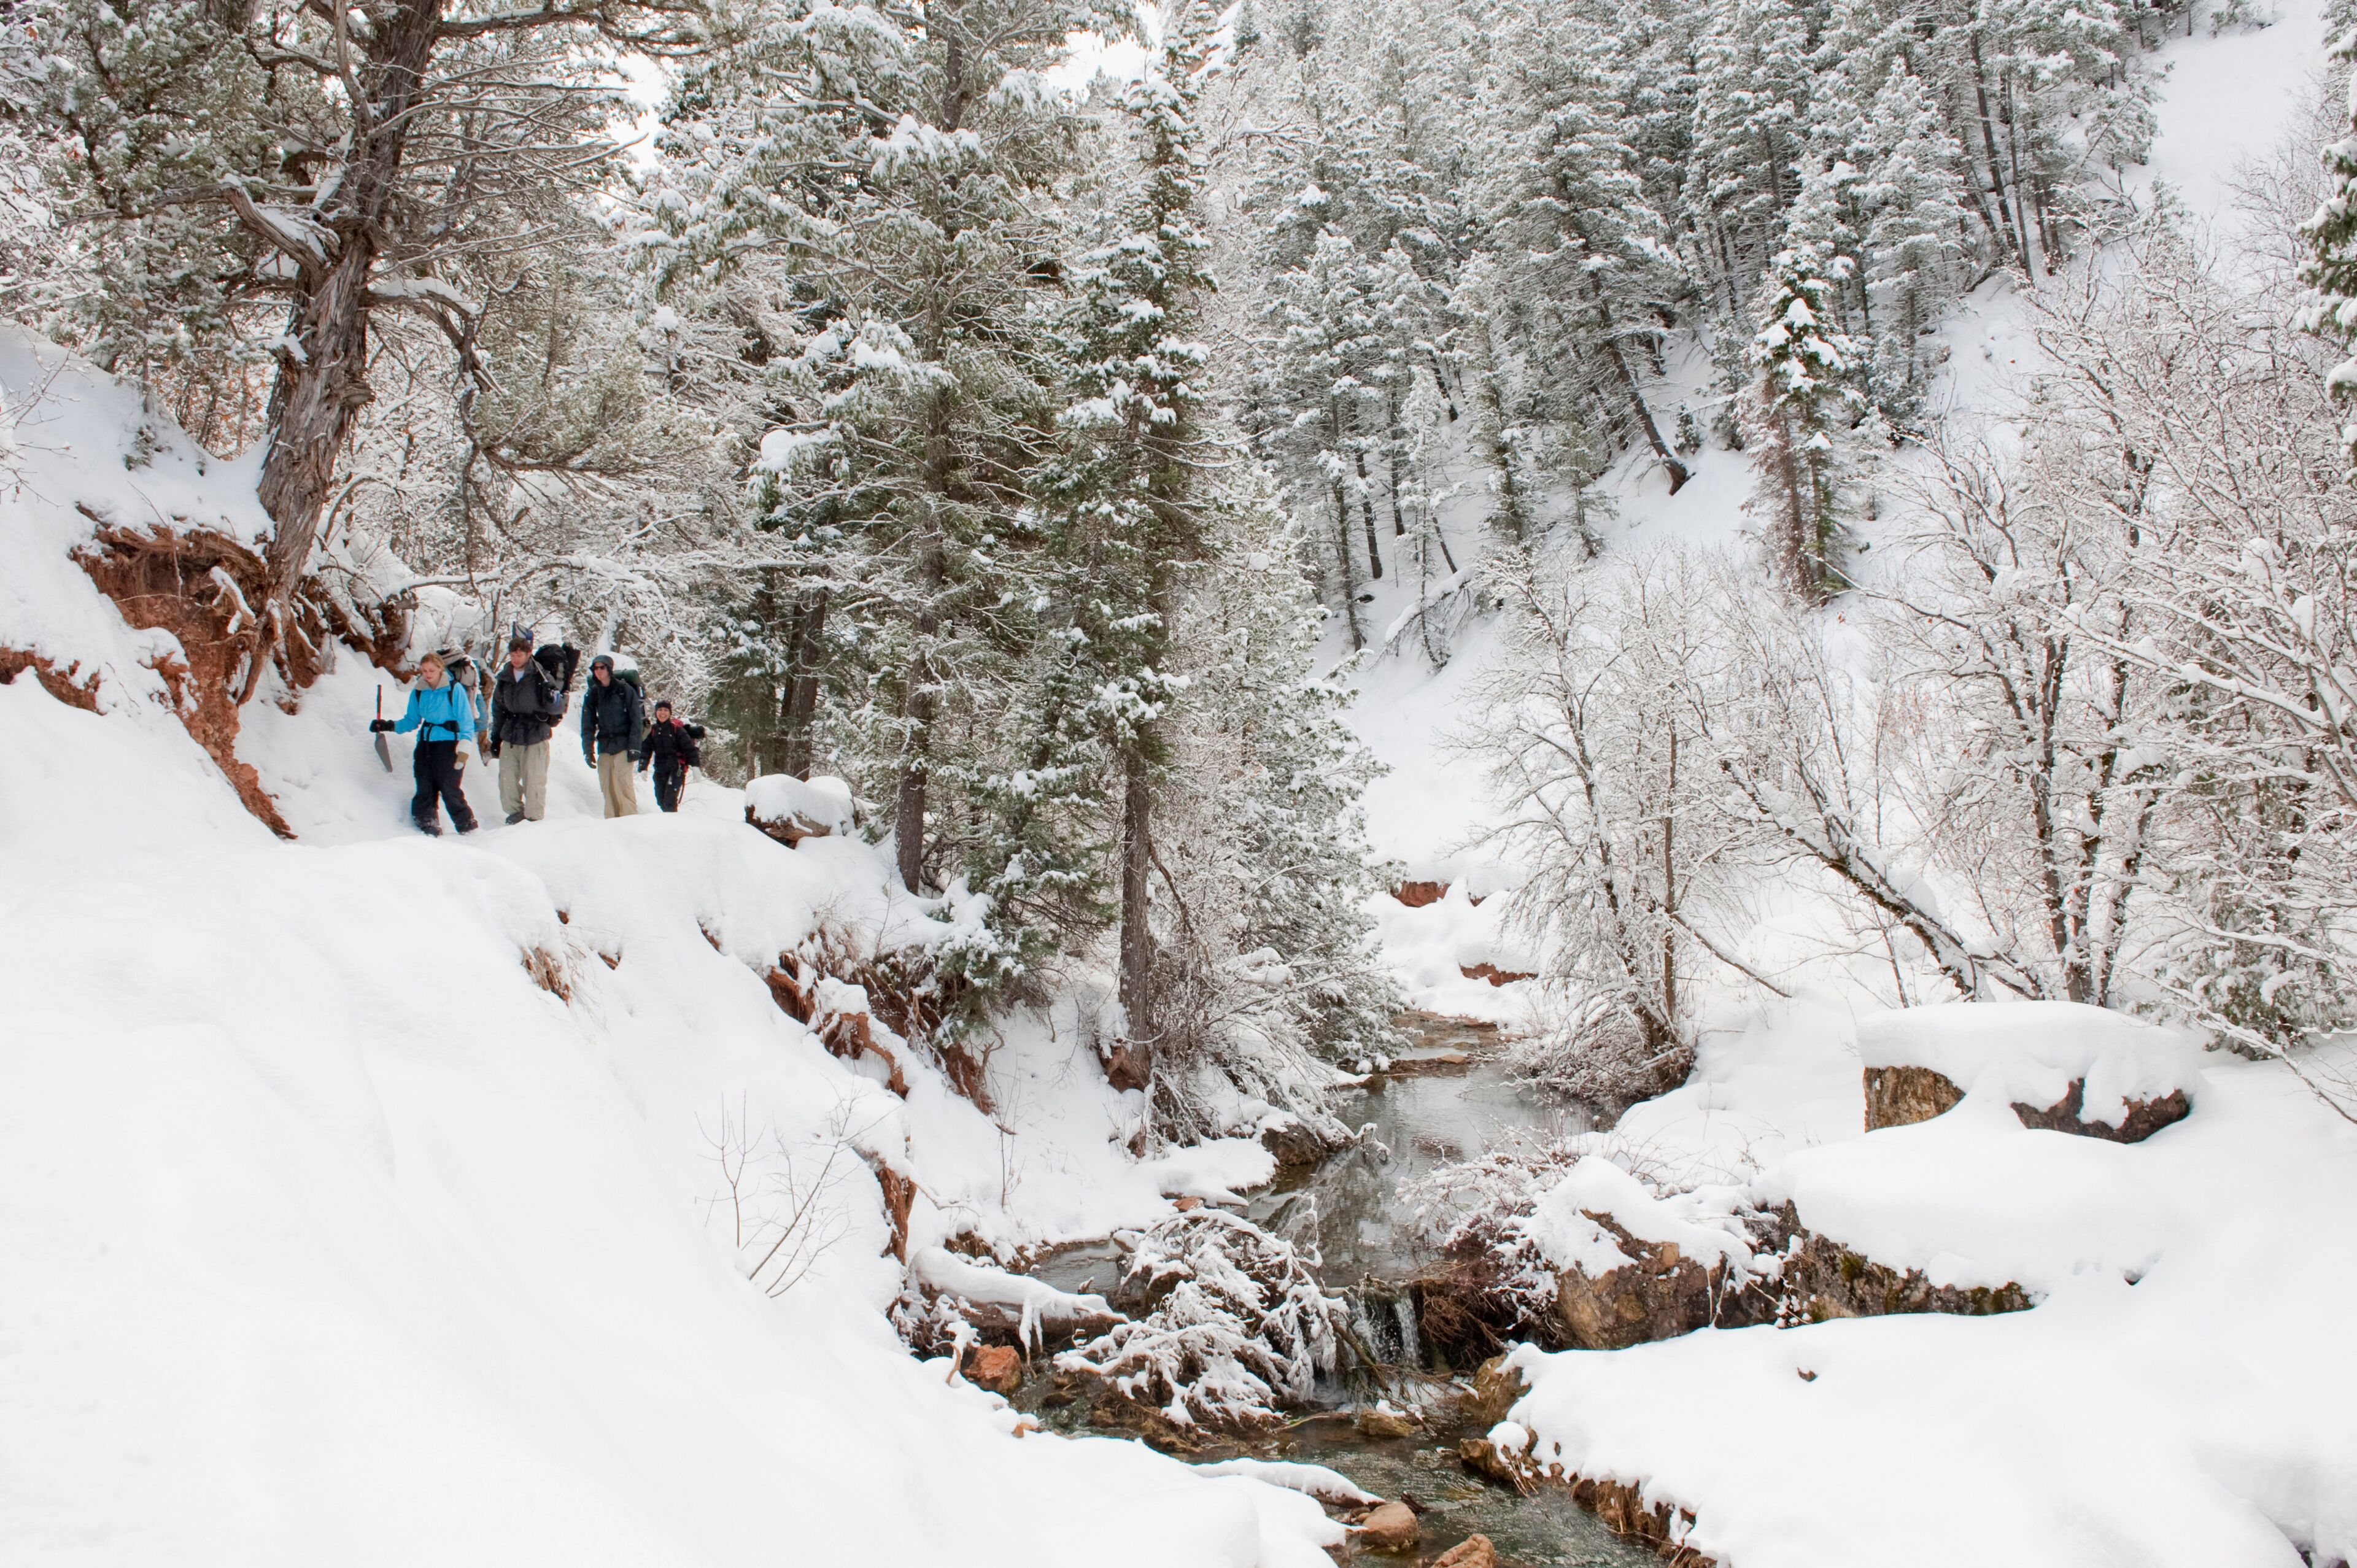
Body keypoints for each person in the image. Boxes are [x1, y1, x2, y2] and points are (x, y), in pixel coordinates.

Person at [370, 651, 480, 835]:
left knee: (449, 786)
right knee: (425, 784)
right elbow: (411, 720)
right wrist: (388, 725)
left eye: (432, 670)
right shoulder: (420, 691)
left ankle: (467, 826)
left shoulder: (454, 689)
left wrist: (465, 745)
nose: (428, 674)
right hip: (426, 743)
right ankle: (427, 822)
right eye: (424, 671)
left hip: (449, 744)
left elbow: (466, 720)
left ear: (440, 669)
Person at [489, 633, 569, 824]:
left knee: (534, 780)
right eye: (513, 655)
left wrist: (552, 697)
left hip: (536, 735)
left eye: (520, 655)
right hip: (510, 733)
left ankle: (534, 819)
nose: (516, 659)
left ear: (528, 654)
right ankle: (515, 814)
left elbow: (557, 707)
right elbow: (498, 709)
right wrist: (496, 738)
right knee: (507, 780)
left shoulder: (541, 676)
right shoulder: (505, 678)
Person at [580, 653, 644, 817]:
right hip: (604, 746)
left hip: (624, 744)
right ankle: (611, 823)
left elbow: (636, 720)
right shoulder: (593, 693)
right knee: (607, 787)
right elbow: (587, 724)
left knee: (623, 786)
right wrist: (588, 750)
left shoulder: (624, 690)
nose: (599, 671)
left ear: (609, 669)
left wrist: (635, 747)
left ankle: (630, 821)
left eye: (602, 668)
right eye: (596, 668)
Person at [638, 700, 700, 813]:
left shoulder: (677, 730)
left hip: (677, 769)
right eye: (660, 710)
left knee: (669, 800)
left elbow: (689, 748)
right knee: (660, 800)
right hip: (660, 770)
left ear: (670, 713)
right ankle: (671, 823)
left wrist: (696, 766)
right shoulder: (653, 731)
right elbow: (646, 750)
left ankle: (673, 826)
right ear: (656, 712)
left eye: (666, 710)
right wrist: (643, 767)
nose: (663, 713)